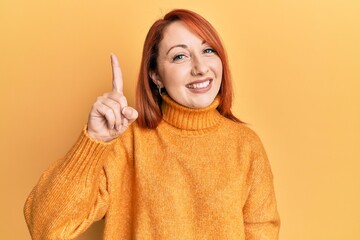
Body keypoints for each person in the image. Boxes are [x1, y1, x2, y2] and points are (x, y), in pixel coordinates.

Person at [24, 9, 280, 239]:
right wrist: (94, 141)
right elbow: (46, 226)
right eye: (180, 56)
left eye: (208, 50)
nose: (201, 67)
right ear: (156, 75)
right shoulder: (127, 142)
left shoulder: (245, 146)